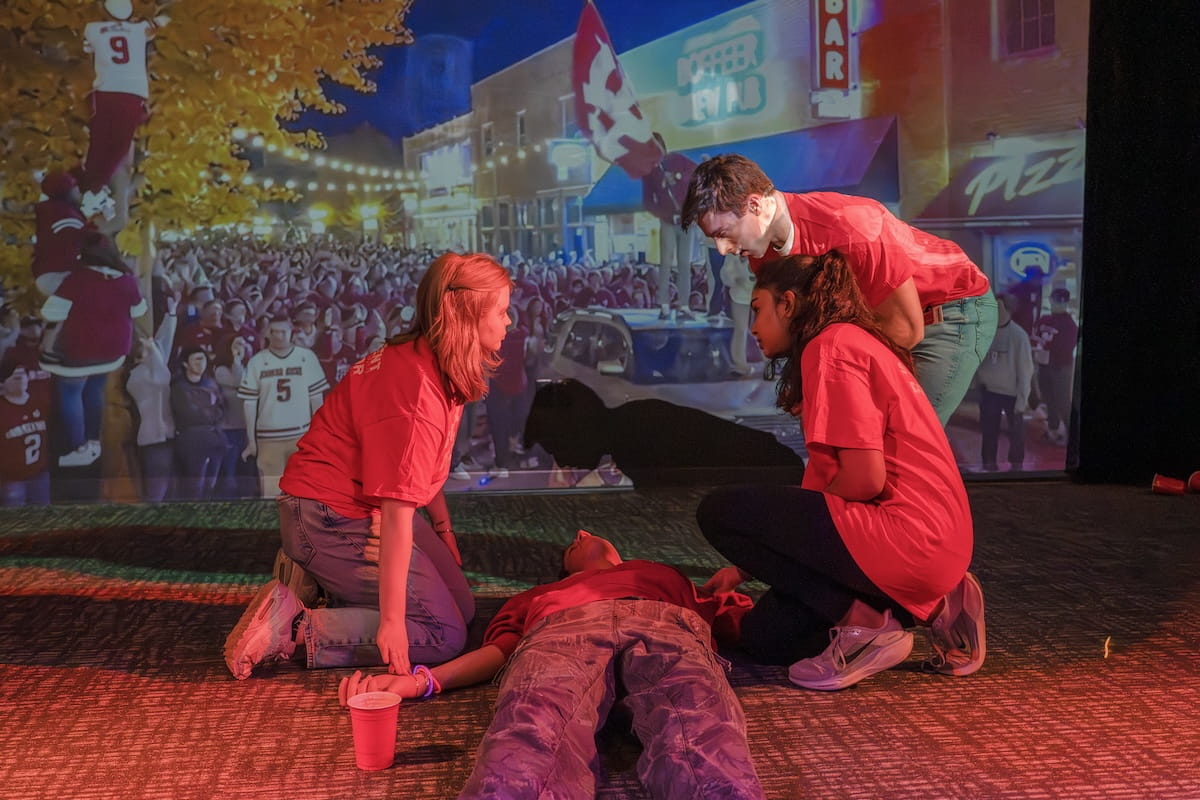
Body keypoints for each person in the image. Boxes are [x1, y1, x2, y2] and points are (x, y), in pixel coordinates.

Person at [696, 251, 985, 691]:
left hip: (908, 537)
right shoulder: (852, 341)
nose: (752, 326)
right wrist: (744, 568)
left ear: (788, 304)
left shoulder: (831, 346)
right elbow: (822, 487)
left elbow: (865, 480)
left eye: (757, 310)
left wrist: (769, 543)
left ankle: (868, 625)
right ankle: (939, 602)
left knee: (719, 512)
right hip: (936, 543)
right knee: (766, 636)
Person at [223, 252, 511, 681]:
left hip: (353, 506)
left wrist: (444, 529)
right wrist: (393, 623)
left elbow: (415, 468)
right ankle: (296, 626)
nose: (509, 322)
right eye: (502, 311)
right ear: (467, 316)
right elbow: (396, 514)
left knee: (465, 609)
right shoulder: (418, 396)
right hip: (328, 517)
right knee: (442, 634)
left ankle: (320, 585)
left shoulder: (424, 358)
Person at [339, 530, 766, 800]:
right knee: (531, 724)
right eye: (571, 546)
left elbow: (743, 621)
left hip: (667, 626)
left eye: (584, 534)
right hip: (563, 630)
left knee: (702, 725)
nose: (580, 532)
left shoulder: (665, 575)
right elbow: (501, 651)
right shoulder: (542, 595)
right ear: (564, 569)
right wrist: (421, 682)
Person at [681, 154, 998, 425]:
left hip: (948, 312)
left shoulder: (851, 225)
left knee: (900, 443)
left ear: (754, 205)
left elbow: (904, 330)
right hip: (879, 323)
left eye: (725, 233)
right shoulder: (762, 254)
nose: (722, 250)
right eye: (714, 239)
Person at [236, 317, 328, 498]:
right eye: (274, 331)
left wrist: (319, 434)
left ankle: (301, 526)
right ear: (267, 333)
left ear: (291, 332)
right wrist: (251, 440)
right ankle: (272, 527)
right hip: (268, 437)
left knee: (304, 493)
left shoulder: (306, 357)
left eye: (282, 331)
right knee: (271, 494)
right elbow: (249, 403)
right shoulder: (257, 361)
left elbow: (316, 400)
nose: (278, 336)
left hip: (301, 435)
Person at [975, 294, 1034, 472]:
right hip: (990, 391)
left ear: (1008, 309)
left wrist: (1022, 399)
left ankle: (1016, 465)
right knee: (989, 431)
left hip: (1012, 393)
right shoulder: (986, 331)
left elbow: (1025, 370)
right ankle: (988, 463)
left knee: (1016, 433)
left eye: (999, 307)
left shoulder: (1018, 336)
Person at [170, 345, 226, 500]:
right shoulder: (178, 387)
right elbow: (187, 412)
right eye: (196, 360)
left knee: (211, 484)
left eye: (203, 359)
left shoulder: (211, 383)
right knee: (195, 485)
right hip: (191, 440)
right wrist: (208, 412)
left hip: (215, 438)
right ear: (186, 363)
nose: (200, 363)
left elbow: (221, 408)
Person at [1031, 287, 1078, 446]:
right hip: (1044, 364)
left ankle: (1072, 434)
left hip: (1060, 366)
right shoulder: (1044, 319)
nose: (1056, 303)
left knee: (1062, 401)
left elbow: (1066, 347)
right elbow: (1034, 336)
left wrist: (1046, 346)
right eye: (1054, 299)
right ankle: (1053, 429)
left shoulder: (1070, 325)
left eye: (1060, 300)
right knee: (1049, 398)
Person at [0, 364, 51, 507]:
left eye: (23, 375)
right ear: (3, 383)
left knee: (44, 517)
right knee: (17, 522)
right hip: (10, 479)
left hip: (39, 473)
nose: (21, 380)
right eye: (16, 377)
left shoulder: (39, 401)